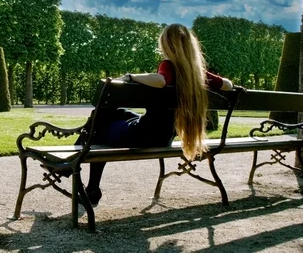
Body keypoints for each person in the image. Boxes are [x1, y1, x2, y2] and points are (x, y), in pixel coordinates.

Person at [84, 23, 234, 205]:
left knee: (101, 123)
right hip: (165, 138)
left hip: (142, 136)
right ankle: (88, 182)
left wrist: (131, 77)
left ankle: (87, 182)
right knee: (117, 113)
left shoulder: (168, 65)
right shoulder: (196, 74)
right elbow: (228, 85)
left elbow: (161, 80)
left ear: (167, 45)